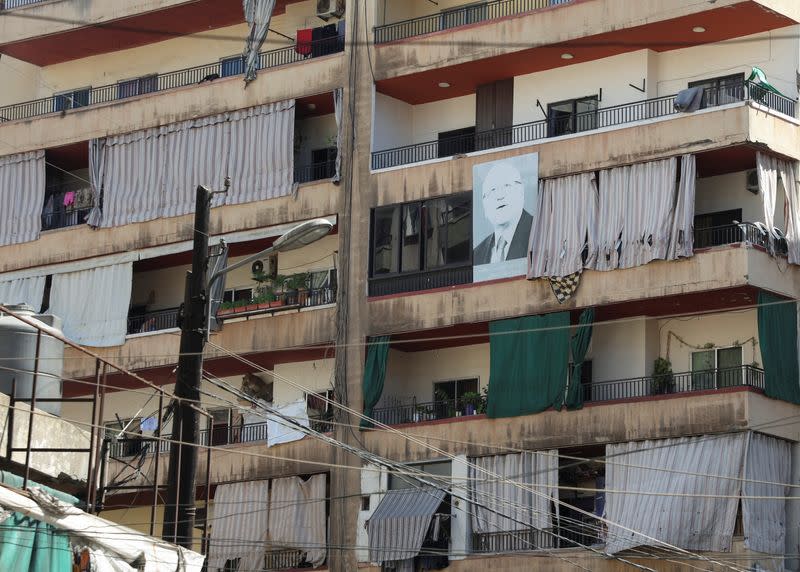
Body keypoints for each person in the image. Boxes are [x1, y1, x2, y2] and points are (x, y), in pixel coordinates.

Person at [473, 161, 533, 265]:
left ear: (521, 191)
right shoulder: (477, 254)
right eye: (492, 190)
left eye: (506, 186)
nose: (499, 196)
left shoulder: (537, 231)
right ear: (484, 205)